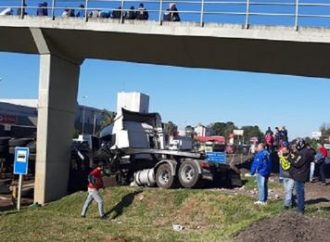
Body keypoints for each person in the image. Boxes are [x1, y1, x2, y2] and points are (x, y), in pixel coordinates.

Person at [288, 138, 314, 214]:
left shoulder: (303, 152)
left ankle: (300, 209)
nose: (295, 147)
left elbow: (297, 163)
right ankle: (300, 208)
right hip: (301, 173)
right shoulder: (306, 151)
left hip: (300, 174)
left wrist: (289, 158)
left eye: (296, 145)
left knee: (299, 193)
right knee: (299, 192)